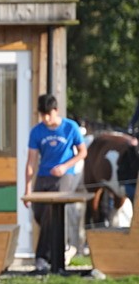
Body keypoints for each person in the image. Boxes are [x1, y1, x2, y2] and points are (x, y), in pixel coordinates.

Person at [24, 94, 88, 273]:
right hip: (43, 176)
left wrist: (65, 166)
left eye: (48, 115)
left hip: (63, 176)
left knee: (52, 214)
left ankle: (42, 258)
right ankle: (58, 251)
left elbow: (82, 153)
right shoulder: (37, 131)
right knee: (40, 214)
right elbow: (31, 161)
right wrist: (27, 188)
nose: (45, 119)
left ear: (56, 111)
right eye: (42, 115)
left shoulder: (70, 128)